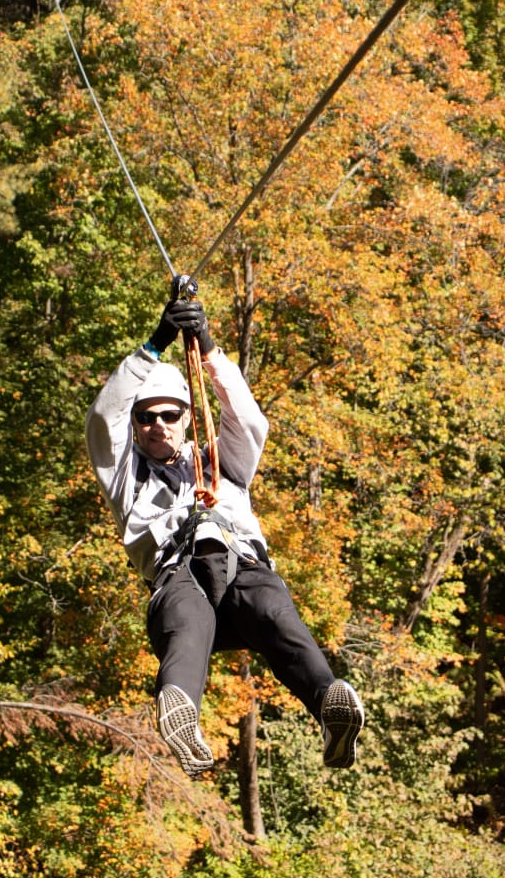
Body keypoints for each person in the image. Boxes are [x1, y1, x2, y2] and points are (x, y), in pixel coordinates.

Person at [85, 289, 365, 777]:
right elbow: (102, 419)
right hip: (178, 575)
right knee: (185, 627)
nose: (158, 426)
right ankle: (180, 711)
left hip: (242, 570)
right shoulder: (127, 479)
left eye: (169, 415)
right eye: (146, 417)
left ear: (187, 418)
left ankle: (328, 703)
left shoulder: (221, 462)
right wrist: (155, 344)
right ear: (136, 425)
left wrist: (208, 348)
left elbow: (248, 419)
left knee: (275, 614)